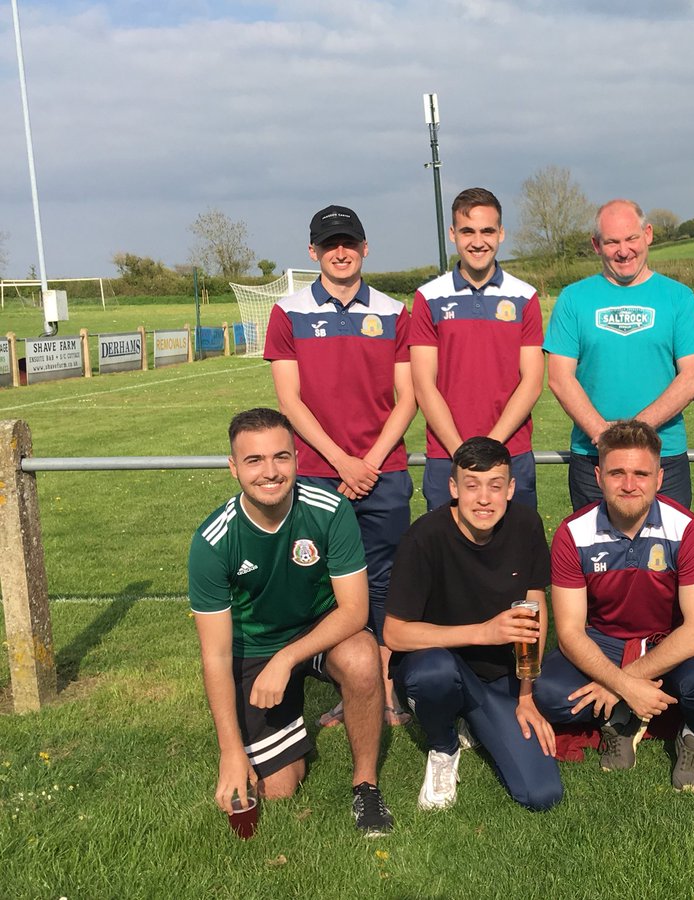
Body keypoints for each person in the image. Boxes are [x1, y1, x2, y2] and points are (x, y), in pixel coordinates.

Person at [188, 408, 393, 836]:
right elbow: (216, 654)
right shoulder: (213, 541)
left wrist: (288, 658)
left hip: (317, 632)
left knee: (361, 656)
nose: (270, 472)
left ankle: (366, 787)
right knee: (279, 788)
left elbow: (355, 611)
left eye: (281, 457)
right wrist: (230, 751)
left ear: (297, 459)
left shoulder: (330, 509)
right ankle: (283, 731)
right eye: (254, 460)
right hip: (255, 647)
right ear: (233, 468)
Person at [264, 204, 417, 727]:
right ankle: (353, 686)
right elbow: (290, 401)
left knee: (387, 582)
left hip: (384, 471)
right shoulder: (288, 312)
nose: (340, 251)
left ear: (365, 247)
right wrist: (340, 461)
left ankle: (389, 684)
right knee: (333, 585)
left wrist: (368, 463)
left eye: (349, 241)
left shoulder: (397, 312)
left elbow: (408, 396)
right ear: (313, 252)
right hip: (318, 473)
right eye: (330, 244)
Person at [532, 420, 694, 792]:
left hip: (667, 639)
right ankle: (618, 721)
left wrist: (621, 684)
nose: (629, 484)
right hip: (606, 638)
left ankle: (693, 734)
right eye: (617, 473)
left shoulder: (687, 528)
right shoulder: (571, 532)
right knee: (549, 695)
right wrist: (623, 683)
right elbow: (571, 632)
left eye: (641, 473)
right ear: (598, 476)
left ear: (659, 477)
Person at [382, 437, 563, 812]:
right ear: (453, 488)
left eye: (496, 486)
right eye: (472, 485)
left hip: (500, 675)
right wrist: (483, 631)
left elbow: (535, 607)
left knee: (541, 794)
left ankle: (474, 718)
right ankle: (443, 745)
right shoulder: (424, 537)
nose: (484, 498)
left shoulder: (526, 523)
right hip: (439, 664)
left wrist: (526, 694)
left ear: (511, 488)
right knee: (434, 673)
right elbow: (394, 633)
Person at [544, 199, 694, 511]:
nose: (623, 250)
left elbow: (693, 377)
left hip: (663, 455)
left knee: (666, 556)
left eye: (631, 238)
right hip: (592, 457)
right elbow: (559, 377)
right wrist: (602, 435)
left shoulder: (679, 298)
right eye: (612, 242)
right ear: (596, 245)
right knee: (596, 556)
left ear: (647, 234)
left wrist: (634, 432)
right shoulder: (573, 299)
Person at [410, 188, 544, 512]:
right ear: (453, 235)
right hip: (447, 456)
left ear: (501, 234)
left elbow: (532, 382)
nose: (478, 241)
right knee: (449, 560)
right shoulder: (428, 297)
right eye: (468, 231)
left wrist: (489, 448)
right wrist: (461, 453)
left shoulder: (525, 297)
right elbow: (424, 385)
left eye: (487, 231)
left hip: (511, 453)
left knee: (515, 558)